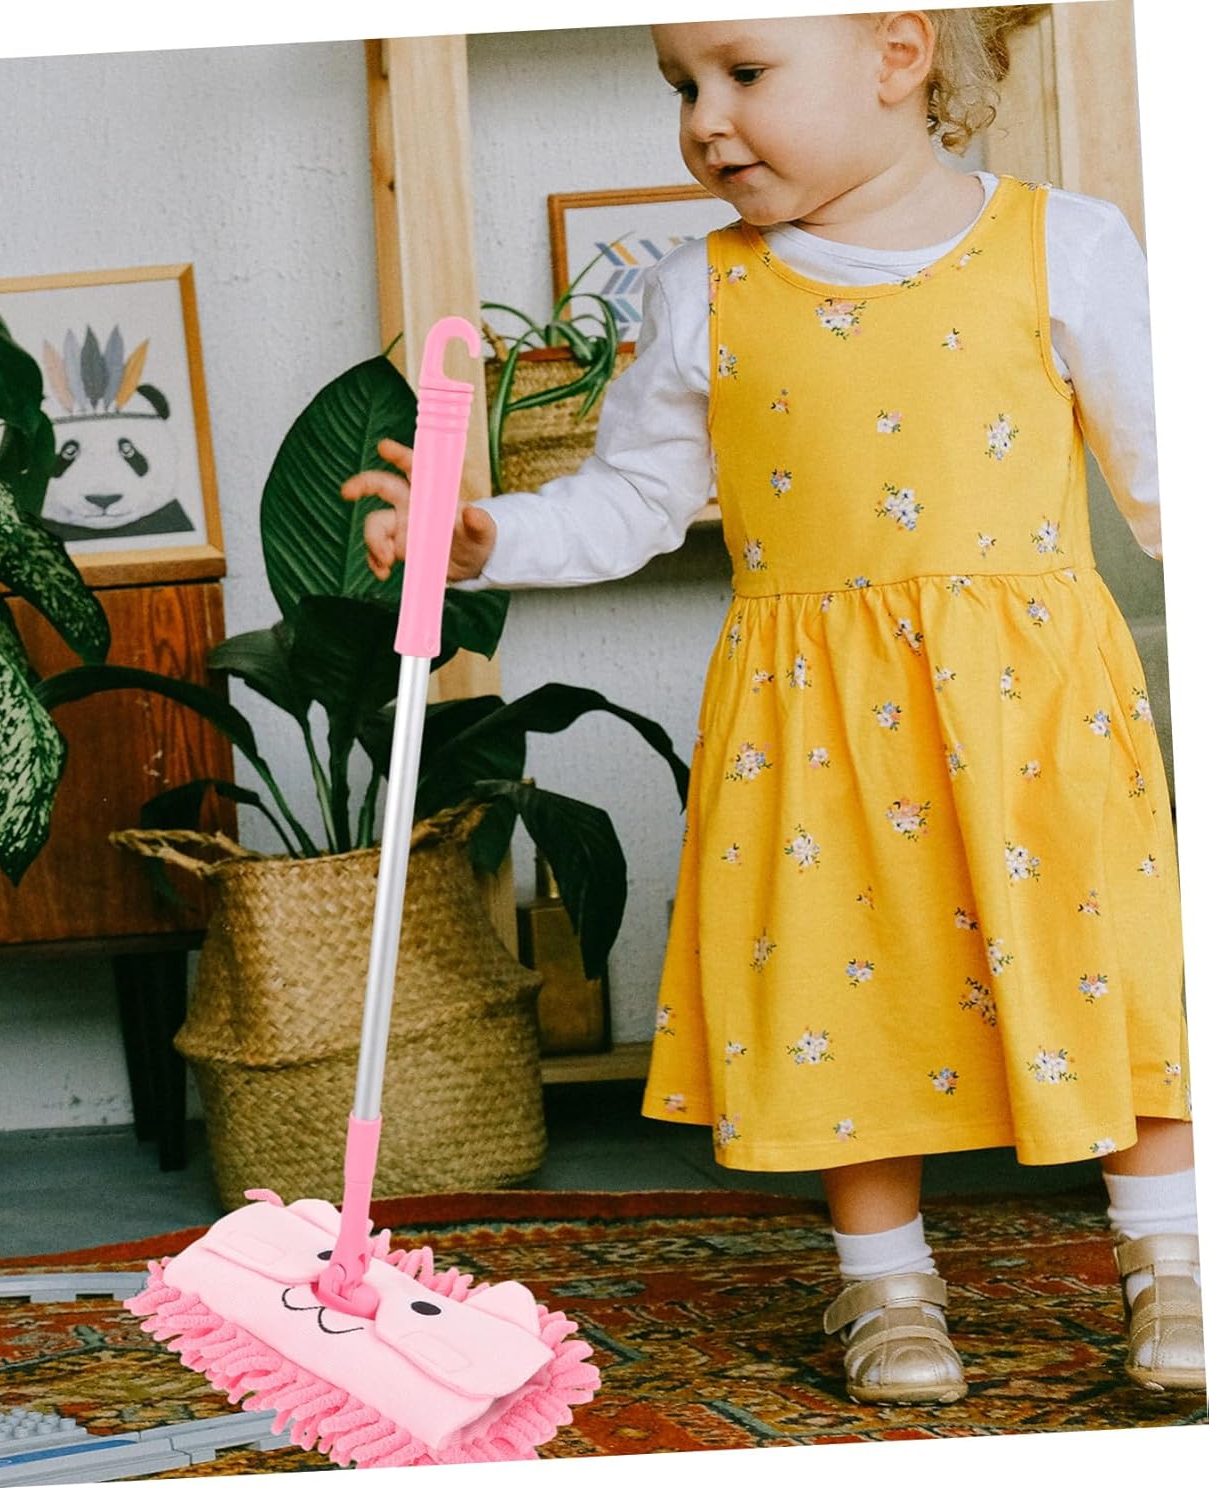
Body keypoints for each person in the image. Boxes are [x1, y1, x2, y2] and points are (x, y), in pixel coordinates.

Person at [342, 8, 1199, 1403]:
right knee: (842, 982)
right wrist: (491, 536)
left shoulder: (1067, 244)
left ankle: (1171, 1259)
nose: (705, 120)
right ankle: (887, 1282)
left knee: (1101, 960)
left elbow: (1173, 480)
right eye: (682, 85)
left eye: (743, 74)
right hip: (815, 722)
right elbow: (635, 498)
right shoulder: (704, 289)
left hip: (1032, 711)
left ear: (899, 57)